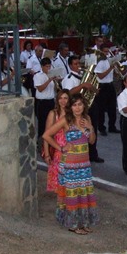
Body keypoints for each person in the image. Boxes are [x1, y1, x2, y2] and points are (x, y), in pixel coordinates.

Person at [42, 94, 99, 235]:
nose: (77, 108)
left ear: (84, 105)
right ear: (70, 107)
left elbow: (92, 141)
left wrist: (90, 127)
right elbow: (46, 135)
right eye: (74, 105)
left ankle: (83, 223)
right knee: (73, 194)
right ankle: (73, 225)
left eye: (80, 104)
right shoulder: (66, 120)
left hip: (84, 164)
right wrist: (60, 148)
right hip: (70, 164)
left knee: (83, 194)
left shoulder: (87, 119)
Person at [62, 55, 104, 163]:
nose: (78, 66)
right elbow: (67, 93)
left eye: (78, 63)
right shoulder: (69, 78)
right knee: (80, 131)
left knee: (92, 128)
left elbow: (90, 89)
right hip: (77, 109)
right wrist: (82, 86)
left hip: (88, 106)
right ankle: (83, 154)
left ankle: (93, 154)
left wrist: (94, 89)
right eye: (75, 64)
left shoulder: (82, 75)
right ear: (70, 65)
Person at [43, 89, 69, 192]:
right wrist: (47, 154)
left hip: (70, 150)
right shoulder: (53, 114)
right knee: (59, 183)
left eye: (65, 98)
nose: (63, 101)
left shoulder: (72, 113)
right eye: (60, 98)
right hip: (57, 151)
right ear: (57, 100)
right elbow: (46, 134)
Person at [94, 44, 120, 135]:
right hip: (102, 86)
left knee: (112, 107)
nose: (106, 53)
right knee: (101, 109)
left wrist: (116, 70)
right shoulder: (100, 61)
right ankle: (101, 128)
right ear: (101, 51)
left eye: (107, 51)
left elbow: (114, 74)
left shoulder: (109, 60)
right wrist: (110, 68)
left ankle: (112, 126)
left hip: (110, 84)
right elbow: (100, 76)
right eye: (105, 51)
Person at [34, 57, 59, 140]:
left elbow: (55, 89)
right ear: (42, 66)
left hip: (51, 101)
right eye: (46, 66)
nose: (48, 68)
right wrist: (49, 80)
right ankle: (41, 143)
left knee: (52, 123)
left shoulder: (51, 75)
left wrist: (56, 81)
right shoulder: (37, 76)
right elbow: (40, 89)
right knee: (42, 124)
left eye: (49, 66)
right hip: (42, 103)